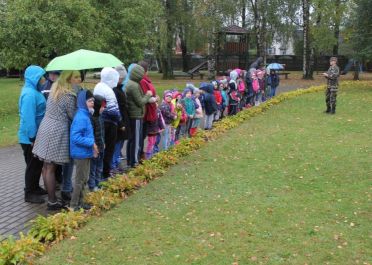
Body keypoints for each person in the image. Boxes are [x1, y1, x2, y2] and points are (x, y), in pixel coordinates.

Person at [33, 70, 79, 210]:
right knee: (51, 168)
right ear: (69, 79)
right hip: (56, 131)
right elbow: (73, 115)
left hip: (46, 127)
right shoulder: (68, 95)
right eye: (75, 77)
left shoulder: (55, 90)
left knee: (47, 167)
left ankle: (52, 198)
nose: (78, 79)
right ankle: (52, 201)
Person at [18, 65, 47, 204]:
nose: (43, 79)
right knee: (32, 165)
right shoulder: (29, 94)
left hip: (35, 136)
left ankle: (35, 187)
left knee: (36, 164)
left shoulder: (33, 91)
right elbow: (28, 118)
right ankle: (29, 193)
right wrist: (32, 138)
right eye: (40, 76)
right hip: (30, 138)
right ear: (34, 77)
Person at [69, 90, 97, 211]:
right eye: (89, 101)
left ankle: (82, 202)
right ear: (82, 102)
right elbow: (75, 137)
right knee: (80, 180)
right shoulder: (81, 117)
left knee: (84, 179)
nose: (92, 103)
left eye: (93, 101)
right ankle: (73, 205)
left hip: (85, 152)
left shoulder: (85, 115)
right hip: (80, 153)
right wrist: (92, 143)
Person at [93, 67, 122, 179]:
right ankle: (105, 173)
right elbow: (113, 110)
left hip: (100, 121)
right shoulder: (108, 91)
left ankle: (99, 173)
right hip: (110, 124)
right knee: (108, 149)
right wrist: (120, 120)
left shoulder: (98, 86)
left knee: (102, 147)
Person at [125, 64, 154, 167]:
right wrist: (148, 95)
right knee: (136, 140)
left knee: (132, 139)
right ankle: (134, 162)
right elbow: (140, 102)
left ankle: (130, 161)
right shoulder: (134, 85)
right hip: (136, 116)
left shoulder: (131, 83)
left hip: (134, 115)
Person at [112, 65, 130, 173]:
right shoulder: (115, 90)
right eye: (120, 78)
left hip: (123, 118)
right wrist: (121, 123)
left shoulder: (119, 89)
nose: (122, 80)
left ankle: (116, 162)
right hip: (119, 120)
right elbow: (117, 107)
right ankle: (114, 163)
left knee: (120, 142)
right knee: (117, 143)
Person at [138, 61, 158, 160]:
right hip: (146, 111)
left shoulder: (146, 80)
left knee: (145, 133)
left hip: (150, 109)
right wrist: (154, 99)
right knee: (142, 134)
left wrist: (155, 97)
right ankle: (140, 154)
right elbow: (146, 96)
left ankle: (142, 153)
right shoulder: (142, 81)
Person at [88, 95, 106, 191]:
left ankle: (98, 183)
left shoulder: (100, 117)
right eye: (102, 106)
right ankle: (92, 186)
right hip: (95, 148)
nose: (104, 108)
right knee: (93, 168)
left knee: (99, 167)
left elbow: (102, 132)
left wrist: (104, 143)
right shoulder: (92, 119)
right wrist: (94, 148)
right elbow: (91, 135)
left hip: (101, 146)